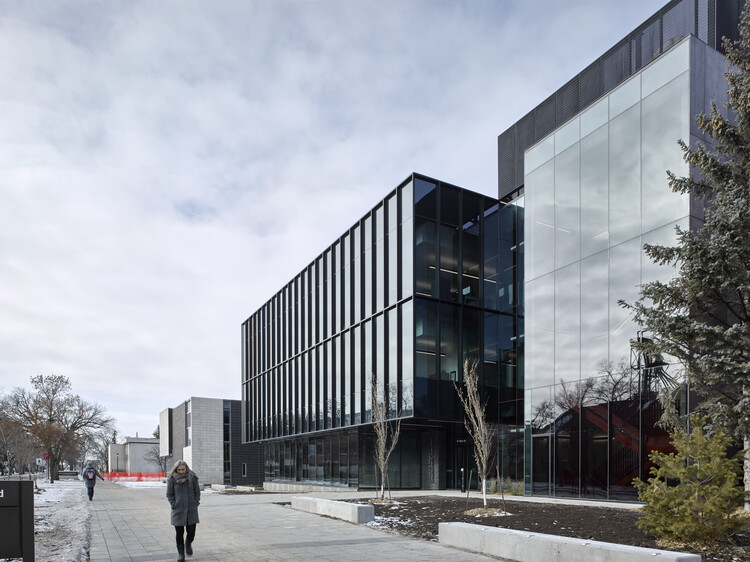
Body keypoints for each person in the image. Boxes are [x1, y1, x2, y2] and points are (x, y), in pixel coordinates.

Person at [166, 460, 200, 561]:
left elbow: (197, 491)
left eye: (183, 469)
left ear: (186, 469)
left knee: (191, 532)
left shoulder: (192, 478)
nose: (181, 471)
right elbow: (169, 494)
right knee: (179, 533)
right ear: (176, 469)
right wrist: (173, 504)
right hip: (178, 510)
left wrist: (196, 502)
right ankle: (181, 554)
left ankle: (188, 543)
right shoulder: (172, 480)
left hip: (191, 509)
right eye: (179, 470)